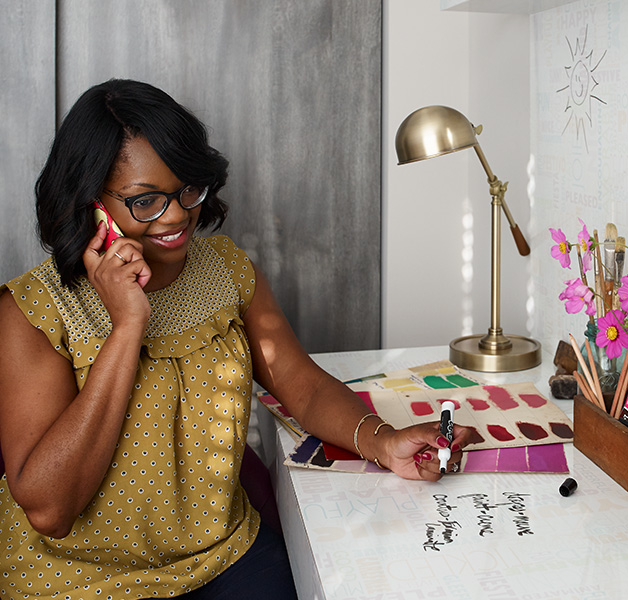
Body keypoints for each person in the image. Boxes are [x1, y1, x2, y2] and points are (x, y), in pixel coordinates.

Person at [0, 79, 470, 599]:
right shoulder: (33, 310)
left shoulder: (226, 270)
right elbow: (50, 509)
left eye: (187, 189)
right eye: (145, 200)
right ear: (91, 201)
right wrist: (128, 326)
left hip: (220, 557)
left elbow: (303, 386)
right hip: (78, 579)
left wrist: (384, 442)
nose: (176, 214)